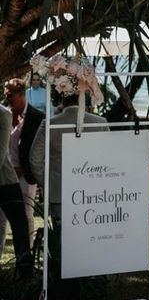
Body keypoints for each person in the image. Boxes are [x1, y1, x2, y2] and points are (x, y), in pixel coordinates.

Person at [29, 89, 108, 219]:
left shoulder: (50, 124)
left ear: (62, 100)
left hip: (59, 191)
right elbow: (108, 157)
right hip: (94, 192)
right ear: (82, 98)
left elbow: (35, 159)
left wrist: (48, 182)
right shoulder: (100, 123)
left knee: (62, 235)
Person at [0, 78, 43, 259]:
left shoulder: (36, 116)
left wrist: (25, 170)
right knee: (1, 219)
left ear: (21, 94)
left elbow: (37, 148)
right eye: (5, 95)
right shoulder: (6, 113)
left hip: (25, 174)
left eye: (10, 95)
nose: (7, 99)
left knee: (25, 215)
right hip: (7, 170)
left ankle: (28, 255)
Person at [0, 102, 34, 279]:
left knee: (19, 225)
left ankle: (25, 272)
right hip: (6, 179)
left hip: (5, 180)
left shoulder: (3, 113)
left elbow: (1, 150)